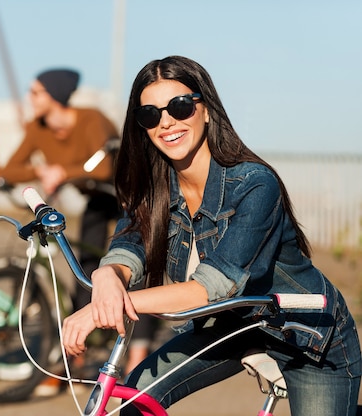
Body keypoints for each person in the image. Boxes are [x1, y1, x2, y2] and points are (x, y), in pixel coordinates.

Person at [61, 55, 361, 415]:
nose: (166, 122)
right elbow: (130, 244)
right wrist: (108, 276)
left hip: (305, 335)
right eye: (150, 115)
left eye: (180, 106)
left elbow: (213, 287)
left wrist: (104, 308)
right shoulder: (153, 187)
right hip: (232, 325)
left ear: (206, 109)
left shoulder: (254, 185)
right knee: (134, 401)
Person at [0, 68, 156, 392]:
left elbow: (102, 166)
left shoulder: (91, 119)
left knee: (136, 271)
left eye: (36, 92)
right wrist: (41, 169)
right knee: (83, 267)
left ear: (55, 96)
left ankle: (137, 363)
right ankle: (77, 362)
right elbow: (11, 168)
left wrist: (63, 171)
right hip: (96, 198)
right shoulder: (37, 128)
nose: (31, 99)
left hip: (128, 193)